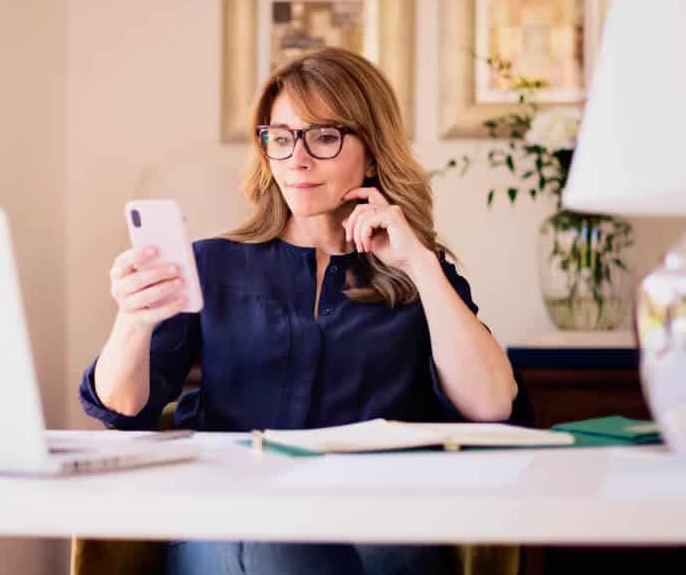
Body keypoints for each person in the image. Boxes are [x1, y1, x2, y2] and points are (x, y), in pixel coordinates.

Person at [78, 47, 530, 575]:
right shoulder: (213, 264)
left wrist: (421, 264)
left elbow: (492, 404)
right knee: (271, 542)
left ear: (374, 150)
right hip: (237, 520)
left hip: (381, 524)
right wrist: (132, 321)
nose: (297, 158)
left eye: (324, 136)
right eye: (282, 137)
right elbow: (122, 409)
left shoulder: (421, 275)